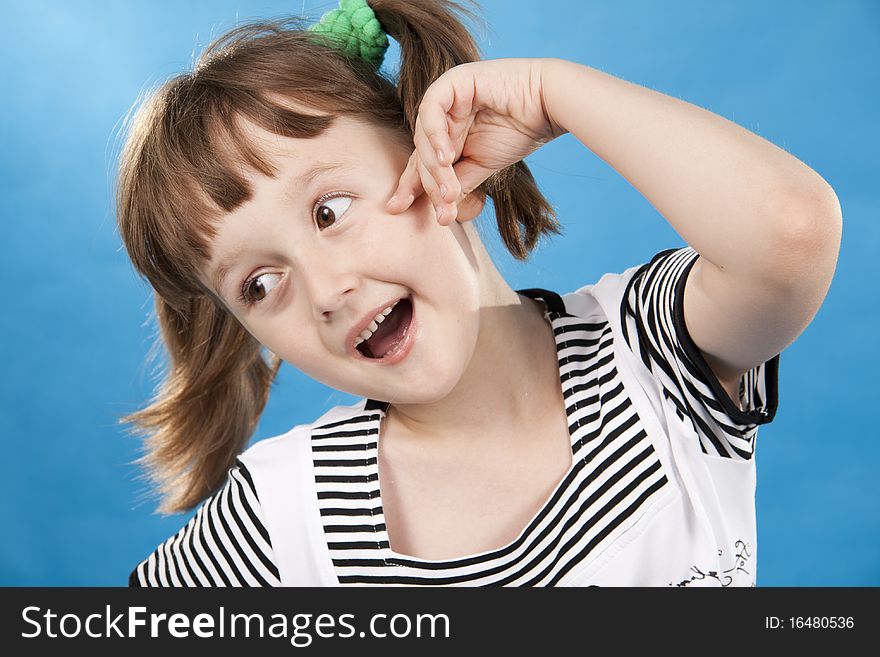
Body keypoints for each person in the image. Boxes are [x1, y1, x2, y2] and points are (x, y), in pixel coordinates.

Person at [120, 0, 841, 587]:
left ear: (432, 153)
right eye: (260, 283)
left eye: (330, 212)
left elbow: (791, 234)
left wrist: (551, 94)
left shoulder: (652, 354)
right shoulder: (281, 522)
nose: (328, 290)